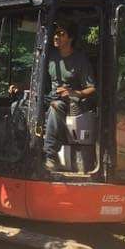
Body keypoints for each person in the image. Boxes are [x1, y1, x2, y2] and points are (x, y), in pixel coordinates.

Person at [43, 19, 96, 170]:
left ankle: (50, 156)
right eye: (55, 33)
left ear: (70, 38)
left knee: (56, 107)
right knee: (20, 105)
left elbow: (92, 88)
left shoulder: (80, 60)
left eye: (61, 34)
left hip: (69, 102)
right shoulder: (50, 57)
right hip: (49, 96)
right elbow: (39, 80)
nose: (56, 37)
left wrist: (73, 92)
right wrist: (20, 87)